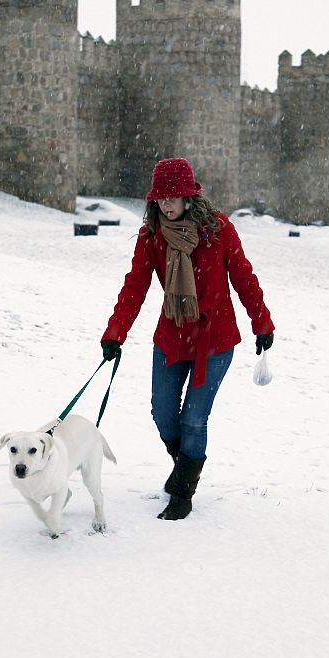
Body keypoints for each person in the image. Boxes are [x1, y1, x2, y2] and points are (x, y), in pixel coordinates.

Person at [101, 158, 275, 521]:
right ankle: (185, 466)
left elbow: (243, 277)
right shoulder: (152, 237)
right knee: (163, 413)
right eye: (160, 199)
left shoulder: (219, 230)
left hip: (215, 340)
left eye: (173, 197)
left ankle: (182, 492)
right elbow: (135, 287)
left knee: (195, 419)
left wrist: (262, 322)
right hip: (172, 336)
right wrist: (115, 333)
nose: (167, 204)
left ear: (189, 197)